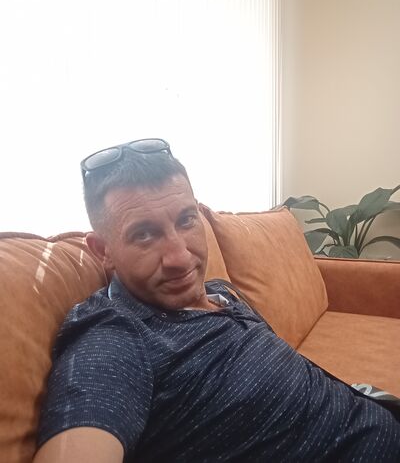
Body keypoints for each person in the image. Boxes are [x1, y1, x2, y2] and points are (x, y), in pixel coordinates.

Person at [34, 138, 400, 463]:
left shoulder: (221, 292)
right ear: (103, 251)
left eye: (186, 220)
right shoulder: (116, 337)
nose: (180, 258)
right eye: (144, 235)